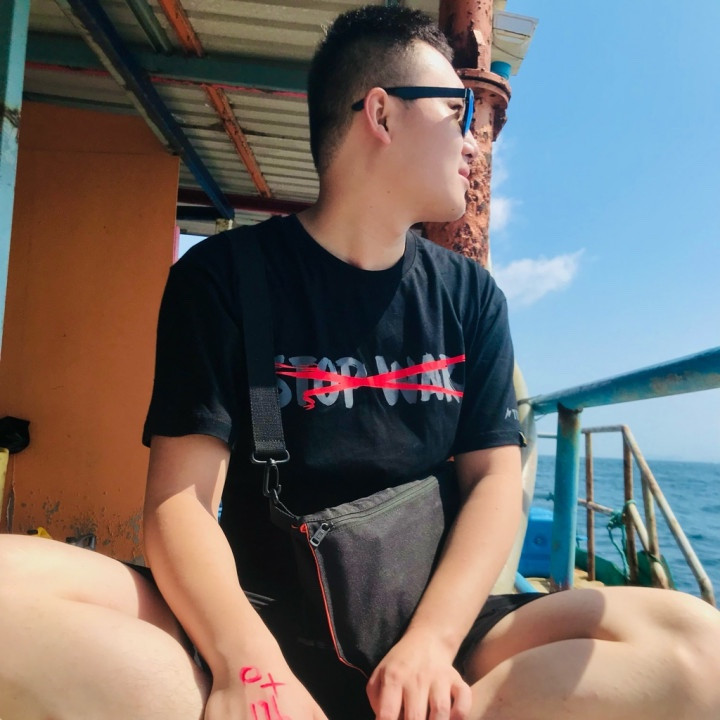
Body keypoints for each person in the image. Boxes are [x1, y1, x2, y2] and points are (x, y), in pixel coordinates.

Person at [1, 5, 719, 720]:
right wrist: (247, 666)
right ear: (381, 113)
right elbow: (179, 503)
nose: (472, 143)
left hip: (433, 629)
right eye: (458, 111)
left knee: (698, 644)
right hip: (260, 617)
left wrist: (432, 644)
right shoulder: (223, 277)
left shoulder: (469, 296)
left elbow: (496, 481)